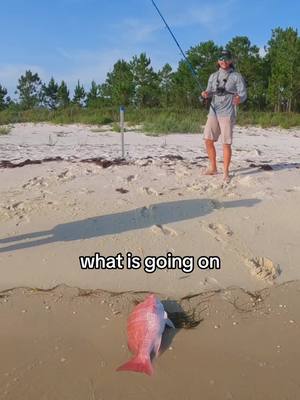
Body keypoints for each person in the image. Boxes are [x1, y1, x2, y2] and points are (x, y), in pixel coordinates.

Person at [201, 50, 247, 182]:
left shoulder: (236, 76)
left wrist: (239, 98)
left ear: (231, 60)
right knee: (208, 139)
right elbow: (209, 92)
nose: (224, 61)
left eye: (226, 58)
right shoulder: (213, 76)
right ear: (218, 61)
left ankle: (226, 172)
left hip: (228, 112)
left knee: (226, 143)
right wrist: (205, 94)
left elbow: (243, 93)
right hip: (213, 111)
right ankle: (213, 167)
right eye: (221, 58)